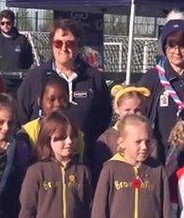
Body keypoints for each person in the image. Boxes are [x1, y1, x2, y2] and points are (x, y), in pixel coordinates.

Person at [16, 18, 112, 149]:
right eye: (58, 43)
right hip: (41, 158)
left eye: (70, 43)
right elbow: (21, 117)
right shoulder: (34, 78)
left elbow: (104, 118)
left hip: (82, 158)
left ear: (78, 45)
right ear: (51, 45)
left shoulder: (94, 78)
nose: (64, 48)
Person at [139, 11, 184, 158]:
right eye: (171, 45)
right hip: (161, 153)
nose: (177, 52)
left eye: (182, 46)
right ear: (165, 47)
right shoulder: (152, 78)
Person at [94, 85, 159, 173]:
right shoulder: (106, 139)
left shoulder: (149, 138)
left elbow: (154, 168)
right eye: (127, 110)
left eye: (137, 110)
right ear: (117, 109)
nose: (132, 114)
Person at [21, 75, 84, 159]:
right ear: (40, 101)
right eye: (51, 99)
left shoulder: (76, 134)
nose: (57, 104)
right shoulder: (28, 133)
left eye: (63, 99)